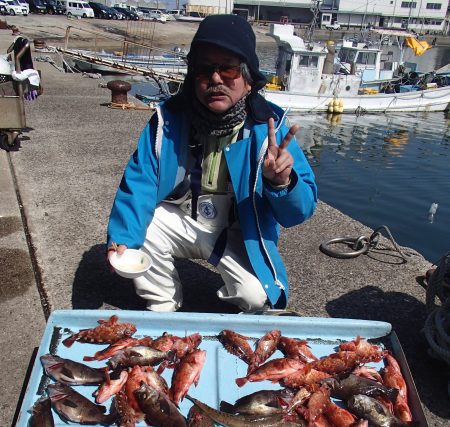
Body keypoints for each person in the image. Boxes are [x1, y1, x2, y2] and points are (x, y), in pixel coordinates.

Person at [107, 14, 317, 312]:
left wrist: (281, 182)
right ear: (193, 77)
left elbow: (299, 212)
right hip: (181, 216)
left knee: (258, 298)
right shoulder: (166, 119)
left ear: (248, 81)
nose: (216, 79)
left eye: (229, 69)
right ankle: (163, 309)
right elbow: (140, 182)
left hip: (237, 228)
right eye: (205, 69)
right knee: (143, 229)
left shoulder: (270, 128)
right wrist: (122, 239)